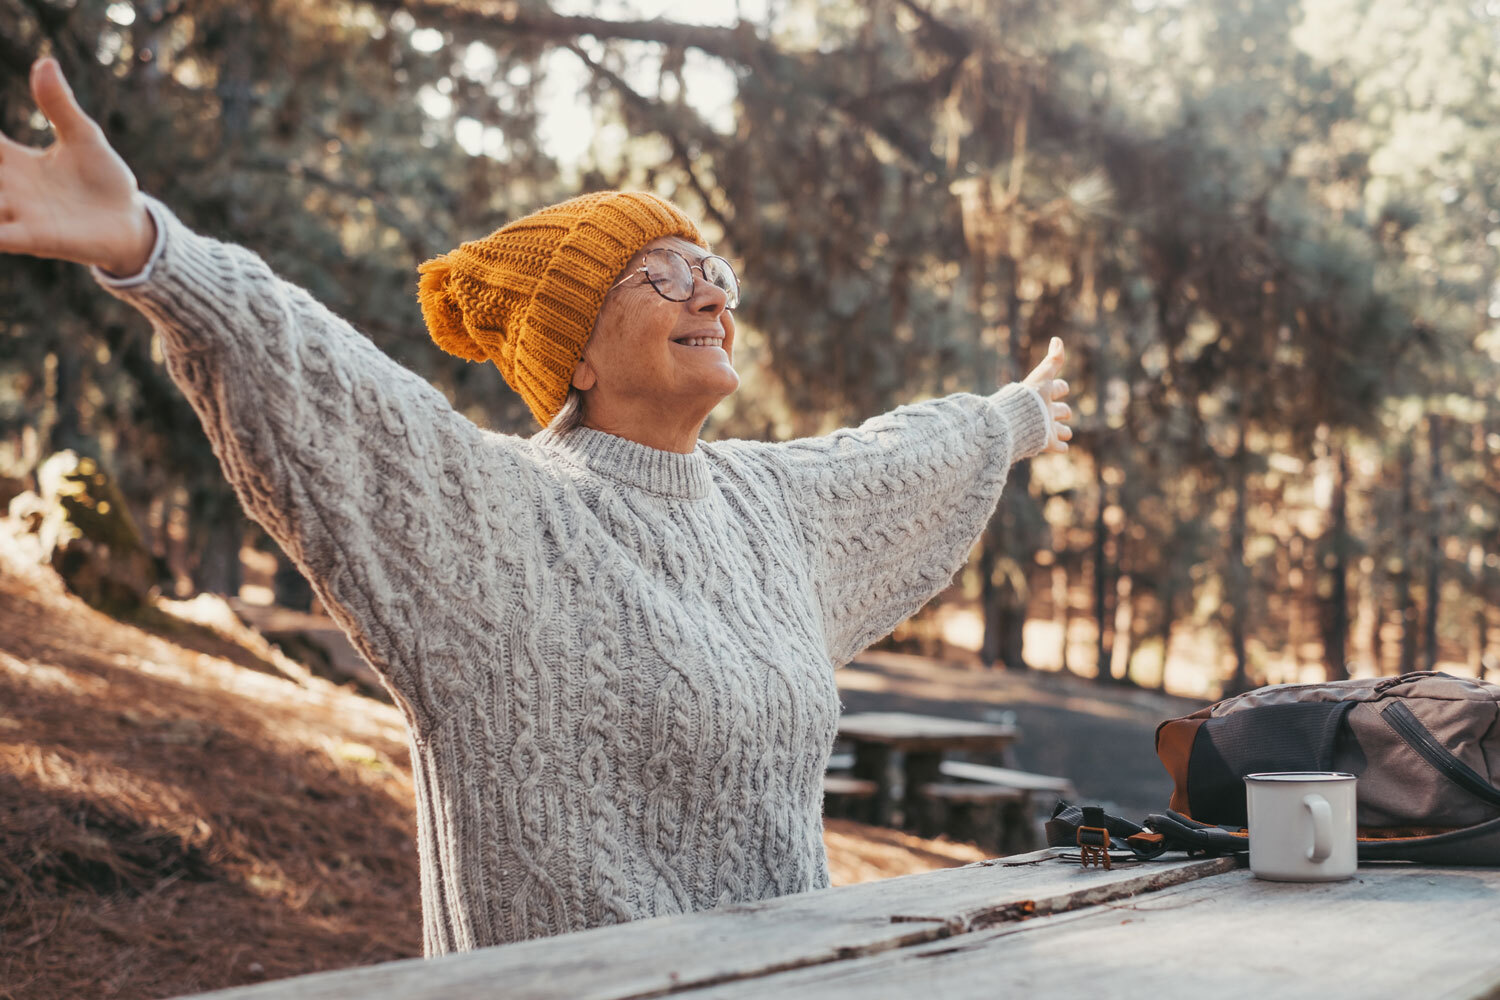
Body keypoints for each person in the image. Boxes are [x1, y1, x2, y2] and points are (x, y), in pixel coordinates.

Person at [0, 58, 1073, 954]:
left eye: (714, 272)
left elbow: (892, 459)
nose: (710, 293)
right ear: (579, 356)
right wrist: (153, 249)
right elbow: (328, 386)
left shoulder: (767, 506)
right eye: (662, 277)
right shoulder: (504, 525)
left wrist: (1012, 417)